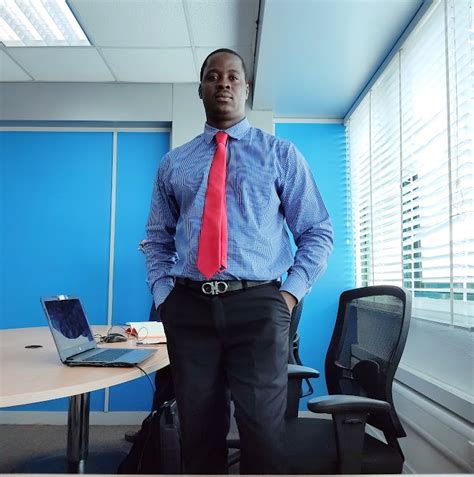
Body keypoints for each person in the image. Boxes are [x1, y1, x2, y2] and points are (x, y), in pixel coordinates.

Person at [143, 48, 333, 474]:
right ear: (200, 89)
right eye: (213, 76)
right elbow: (156, 239)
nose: (223, 83)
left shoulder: (281, 154)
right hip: (189, 307)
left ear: (246, 88)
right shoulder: (174, 163)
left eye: (233, 76)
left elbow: (317, 231)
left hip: (258, 306)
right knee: (197, 432)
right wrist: (164, 296)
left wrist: (288, 296)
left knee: (263, 433)